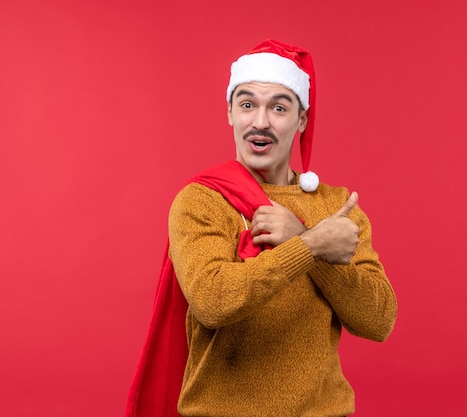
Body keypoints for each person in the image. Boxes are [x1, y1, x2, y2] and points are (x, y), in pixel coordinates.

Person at [126, 39, 397, 417]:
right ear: (230, 114)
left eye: (279, 108)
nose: (260, 122)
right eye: (247, 104)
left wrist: (302, 239)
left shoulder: (335, 207)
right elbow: (213, 300)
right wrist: (311, 245)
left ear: (301, 119)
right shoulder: (200, 201)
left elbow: (378, 319)